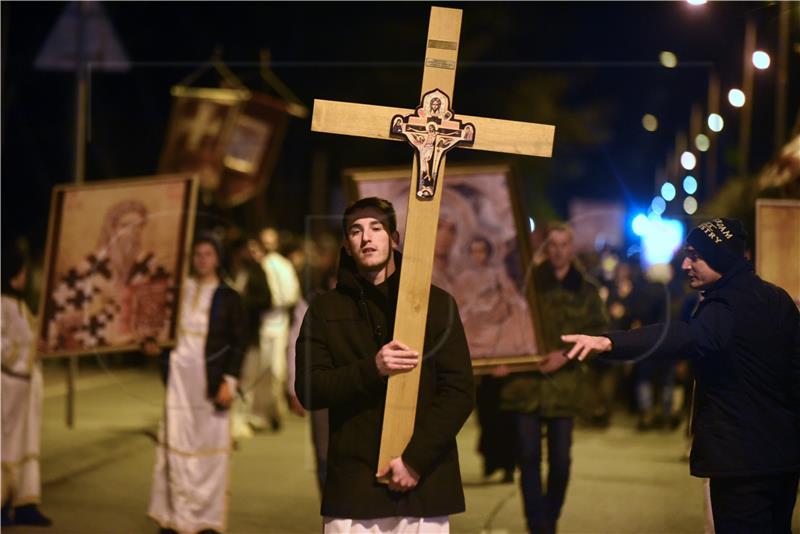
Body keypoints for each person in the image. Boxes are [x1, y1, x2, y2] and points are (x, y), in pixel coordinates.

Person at [562, 218, 800, 533]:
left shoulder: (723, 308)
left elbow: (683, 336)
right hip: (783, 460)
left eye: (694, 256)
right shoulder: (777, 298)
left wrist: (610, 342)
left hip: (742, 465)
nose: (685, 264)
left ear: (721, 259)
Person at [295, 197, 474, 533]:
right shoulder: (324, 310)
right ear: (346, 246)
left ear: (394, 239)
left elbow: (460, 390)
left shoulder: (436, 304)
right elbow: (309, 389)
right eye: (356, 231)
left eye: (376, 228)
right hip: (355, 485)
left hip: (424, 482)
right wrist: (371, 369)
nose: (367, 238)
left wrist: (415, 460)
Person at [499, 222, 608, 534]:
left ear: (572, 248)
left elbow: (600, 334)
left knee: (560, 462)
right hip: (526, 385)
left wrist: (565, 355)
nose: (559, 251)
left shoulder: (586, 289)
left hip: (565, 388)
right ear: (546, 249)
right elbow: (509, 321)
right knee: (528, 457)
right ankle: (538, 526)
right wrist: (503, 357)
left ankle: (550, 516)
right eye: (553, 245)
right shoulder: (528, 283)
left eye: (564, 245)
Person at [144, 236, 245, 534]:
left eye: (208, 253)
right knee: (175, 446)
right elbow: (161, 335)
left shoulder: (229, 297)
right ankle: (174, 518)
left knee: (208, 453)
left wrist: (229, 381)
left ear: (218, 257)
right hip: (178, 381)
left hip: (211, 383)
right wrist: (155, 349)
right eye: (197, 254)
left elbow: (238, 344)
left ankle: (204, 521)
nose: (202, 259)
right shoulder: (177, 293)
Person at [44, 199, 172, 351]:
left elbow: (164, 314)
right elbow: (59, 316)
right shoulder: (87, 268)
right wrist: (90, 310)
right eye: (126, 225)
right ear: (111, 229)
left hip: (135, 354)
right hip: (92, 354)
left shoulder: (151, 268)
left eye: (138, 227)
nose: (133, 233)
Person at [1, 245, 52, 527]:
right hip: (7, 388)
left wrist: (39, 346)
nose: (25, 277)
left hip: (28, 387)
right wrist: (28, 347)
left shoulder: (21, 305)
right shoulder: (1, 304)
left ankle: (25, 503)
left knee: (27, 446)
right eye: (22, 271)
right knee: (6, 448)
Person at [256, 227, 300, 431]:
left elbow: (291, 294)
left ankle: (276, 409)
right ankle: (264, 412)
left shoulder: (283, 265)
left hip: (279, 323)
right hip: (261, 325)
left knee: (276, 369)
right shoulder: (258, 265)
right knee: (261, 370)